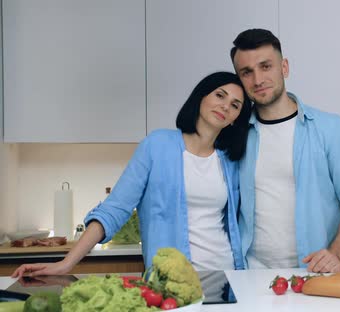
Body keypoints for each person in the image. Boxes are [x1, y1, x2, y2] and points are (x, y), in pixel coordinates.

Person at [12, 71, 252, 278]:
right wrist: (66, 263)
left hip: (225, 274)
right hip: (169, 280)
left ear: (235, 119)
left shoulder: (230, 161)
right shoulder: (157, 145)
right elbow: (114, 208)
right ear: (201, 97)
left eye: (235, 105)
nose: (225, 106)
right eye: (220, 95)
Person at [230, 29, 340, 273]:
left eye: (266, 66)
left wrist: (337, 252)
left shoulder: (330, 128)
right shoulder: (234, 133)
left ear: (284, 67)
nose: (257, 80)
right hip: (249, 275)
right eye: (247, 72)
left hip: (315, 273)